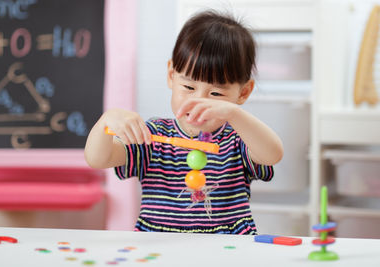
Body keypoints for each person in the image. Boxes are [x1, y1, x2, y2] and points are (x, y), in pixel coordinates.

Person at [85, 10, 283, 235]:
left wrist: (234, 114)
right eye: (189, 87)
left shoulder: (239, 139)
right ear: (171, 75)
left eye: (216, 94)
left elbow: (272, 154)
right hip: (159, 248)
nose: (199, 101)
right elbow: (98, 159)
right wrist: (105, 123)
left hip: (227, 251)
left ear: (243, 92)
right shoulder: (153, 135)